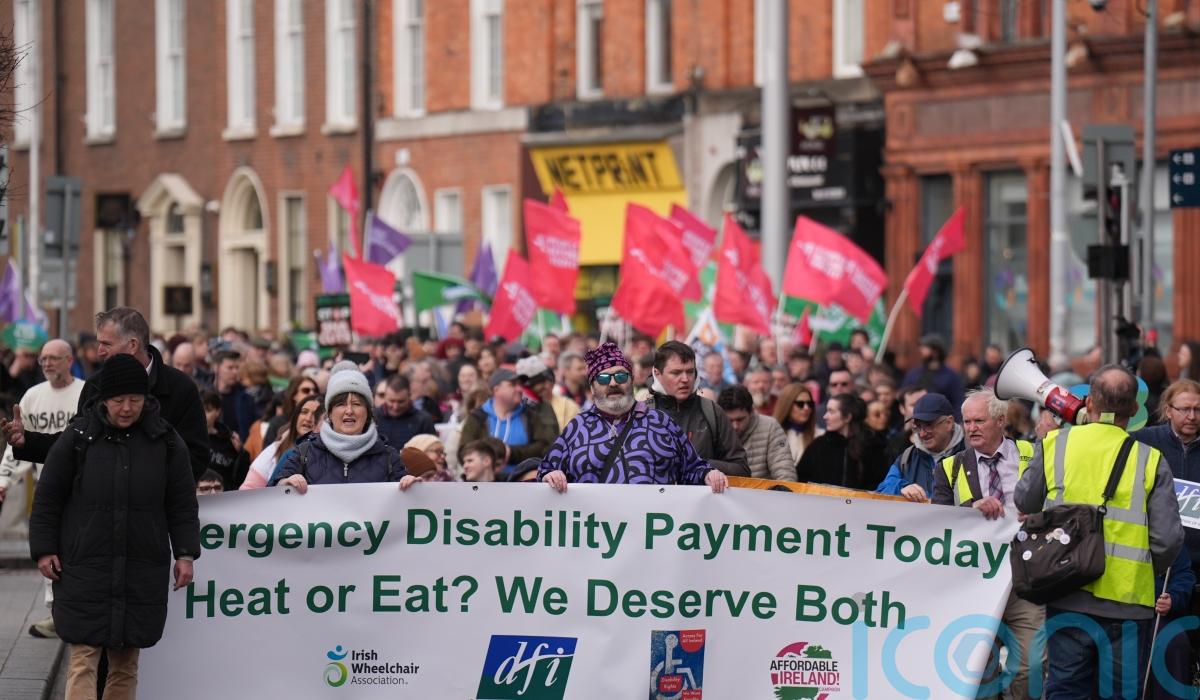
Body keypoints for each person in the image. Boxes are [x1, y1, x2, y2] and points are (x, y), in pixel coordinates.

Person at [29, 353, 200, 700]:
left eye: (135, 399)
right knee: (83, 659)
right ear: (103, 399)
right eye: (119, 400)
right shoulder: (77, 437)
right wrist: (44, 548)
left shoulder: (165, 441)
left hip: (140, 566)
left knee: (125, 664)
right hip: (84, 565)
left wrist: (185, 553)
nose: (126, 408)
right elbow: (48, 497)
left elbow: (181, 503)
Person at [1015, 365, 1184, 698]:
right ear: (1135, 410)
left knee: (1065, 689)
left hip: (1066, 591)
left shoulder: (1055, 444)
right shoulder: (1150, 459)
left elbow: (1025, 499)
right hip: (1129, 600)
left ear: (1089, 402)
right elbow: (1168, 540)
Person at [2, 307, 210, 480]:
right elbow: (74, 443)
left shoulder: (180, 388)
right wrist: (27, 441)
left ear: (132, 345)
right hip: (104, 515)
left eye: (106, 344)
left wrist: (151, 487)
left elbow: (196, 457)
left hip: (158, 517)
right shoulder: (95, 385)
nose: (99, 351)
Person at [927, 389, 1040, 699]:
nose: (972, 428)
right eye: (967, 421)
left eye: (979, 420)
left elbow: (1060, 500)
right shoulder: (948, 467)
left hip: (1025, 577)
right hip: (975, 581)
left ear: (1001, 421)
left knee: (1031, 665)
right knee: (980, 670)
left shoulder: (1034, 454)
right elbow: (937, 524)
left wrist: (1041, 515)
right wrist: (970, 510)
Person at [540, 342, 728, 493]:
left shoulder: (660, 423)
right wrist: (551, 475)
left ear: (631, 381)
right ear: (592, 387)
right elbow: (546, 470)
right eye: (604, 379)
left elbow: (692, 468)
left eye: (621, 377)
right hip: (594, 534)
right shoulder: (577, 427)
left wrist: (708, 475)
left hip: (650, 533)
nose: (613, 383)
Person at [0, 339, 86, 639]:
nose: (47, 363)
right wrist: (4, 480)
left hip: (83, 485)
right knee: (49, 545)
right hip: (47, 485)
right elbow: (17, 443)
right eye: (43, 359)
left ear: (69, 360)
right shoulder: (33, 396)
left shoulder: (84, 393)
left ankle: (73, 609)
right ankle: (55, 611)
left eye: (53, 358)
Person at [272, 364, 419, 492]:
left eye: (356, 404)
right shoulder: (304, 453)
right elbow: (272, 495)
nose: (349, 411)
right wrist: (285, 483)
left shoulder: (388, 456)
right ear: (329, 412)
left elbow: (406, 506)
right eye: (340, 404)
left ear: (368, 412)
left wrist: (410, 486)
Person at [646, 341, 749, 477]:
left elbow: (742, 469)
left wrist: (700, 465)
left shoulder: (712, 411)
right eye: (676, 373)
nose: (685, 379)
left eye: (690, 371)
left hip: (705, 498)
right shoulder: (642, 414)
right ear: (657, 374)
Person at [1133, 378, 1200, 580]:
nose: (1192, 416)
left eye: (1198, 410)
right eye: (1185, 409)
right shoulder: (1144, 441)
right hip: (1155, 559)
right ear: (1168, 410)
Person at [458, 368, 559, 473]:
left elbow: (544, 447)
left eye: (520, 385)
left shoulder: (531, 414)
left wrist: (511, 453)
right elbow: (463, 451)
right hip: (485, 484)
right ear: (496, 390)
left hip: (523, 483)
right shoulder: (478, 417)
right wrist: (488, 454)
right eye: (513, 385)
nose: (520, 389)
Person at [875, 393, 965, 502]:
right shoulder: (907, 458)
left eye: (928, 425)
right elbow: (881, 490)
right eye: (918, 426)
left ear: (949, 423)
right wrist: (902, 487)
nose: (922, 434)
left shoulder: (972, 453)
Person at [796, 393, 888, 489]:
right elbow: (802, 480)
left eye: (831, 412)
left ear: (847, 417)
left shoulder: (872, 447)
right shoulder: (818, 446)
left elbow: (880, 485)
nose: (825, 416)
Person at [245, 396, 324, 490]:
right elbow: (249, 488)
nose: (308, 418)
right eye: (304, 412)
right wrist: (283, 482)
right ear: (296, 416)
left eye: (315, 414)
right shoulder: (276, 449)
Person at [717, 386, 795, 482]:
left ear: (751, 412)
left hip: (764, 494)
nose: (735, 426)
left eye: (740, 419)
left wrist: (784, 492)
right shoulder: (714, 429)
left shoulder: (770, 426)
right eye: (729, 420)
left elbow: (784, 469)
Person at [902, 335, 965, 418]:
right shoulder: (913, 374)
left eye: (925, 348)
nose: (921, 351)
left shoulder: (951, 376)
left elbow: (958, 402)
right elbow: (903, 396)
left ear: (936, 351)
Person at [201, 390, 250, 490]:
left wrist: (241, 453)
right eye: (199, 409)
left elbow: (240, 477)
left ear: (217, 411)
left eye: (208, 410)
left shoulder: (229, 440)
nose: (203, 414)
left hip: (222, 495)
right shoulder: (188, 436)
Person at [517, 356, 579, 431]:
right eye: (540, 382)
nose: (546, 385)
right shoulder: (516, 408)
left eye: (546, 380)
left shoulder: (567, 405)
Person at [375, 375, 436, 449]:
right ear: (385, 397)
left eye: (401, 402)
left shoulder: (424, 420)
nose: (395, 407)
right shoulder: (374, 418)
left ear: (410, 396)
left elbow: (432, 450)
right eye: (391, 401)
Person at [211, 349, 256, 443]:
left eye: (237, 368)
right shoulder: (205, 396)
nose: (235, 372)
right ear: (216, 367)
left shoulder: (246, 399)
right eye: (230, 368)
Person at [772, 383, 821, 463]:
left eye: (810, 404)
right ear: (787, 405)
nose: (806, 408)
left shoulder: (819, 436)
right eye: (800, 404)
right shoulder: (770, 435)